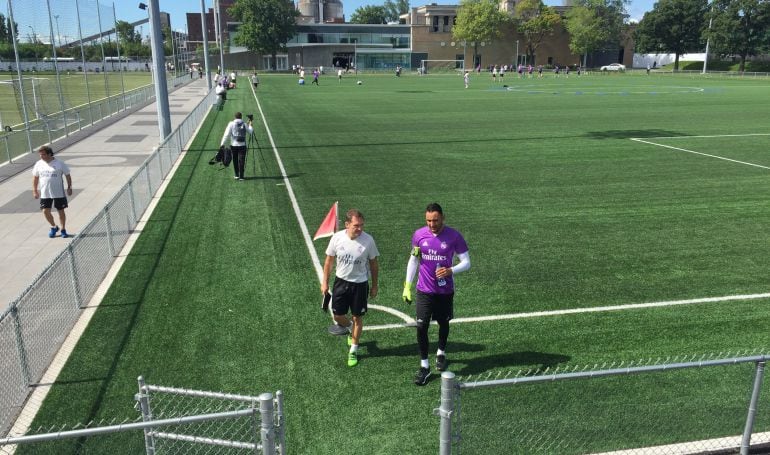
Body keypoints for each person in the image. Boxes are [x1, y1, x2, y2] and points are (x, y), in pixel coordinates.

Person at [402, 203, 470, 386]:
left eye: (435, 220)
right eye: (428, 220)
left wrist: (451, 271)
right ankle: (424, 366)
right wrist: (407, 286)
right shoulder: (419, 235)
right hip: (424, 290)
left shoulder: (454, 236)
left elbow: (467, 262)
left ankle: (441, 352)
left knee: (443, 322)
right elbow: (413, 260)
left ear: (443, 218)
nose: (432, 224)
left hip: (444, 291)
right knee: (421, 326)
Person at [322, 209, 380, 367]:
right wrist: (324, 282)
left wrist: (374, 285)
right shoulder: (337, 238)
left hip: (360, 284)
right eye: (356, 225)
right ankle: (349, 327)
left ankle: (353, 349)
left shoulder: (368, 240)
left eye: (362, 225)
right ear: (347, 224)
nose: (360, 228)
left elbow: (374, 264)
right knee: (338, 315)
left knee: (357, 317)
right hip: (341, 282)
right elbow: (328, 261)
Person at [32, 145, 73, 238]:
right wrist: (34, 190)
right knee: (45, 211)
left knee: (61, 211)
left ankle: (63, 229)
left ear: (49, 154)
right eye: (40, 155)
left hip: (58, 192)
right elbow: (35, 178)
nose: (41, 156)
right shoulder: (39, 164)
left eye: (43, 154)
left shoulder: (59, 163)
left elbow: (67, 175)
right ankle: (54, 227)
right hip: (45, 193)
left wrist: (69, 187)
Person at [220, 112, 254, 181]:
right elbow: (250, 132)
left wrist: (222, 144)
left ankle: (236, 175)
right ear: (241, 117)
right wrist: (250, 125)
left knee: (235, 160)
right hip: (242, 146)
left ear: (235, 117)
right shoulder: (244, 124)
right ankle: (241, 176)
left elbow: (226, 135)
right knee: (241, 161)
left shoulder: (231, 124)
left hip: (233, 145)